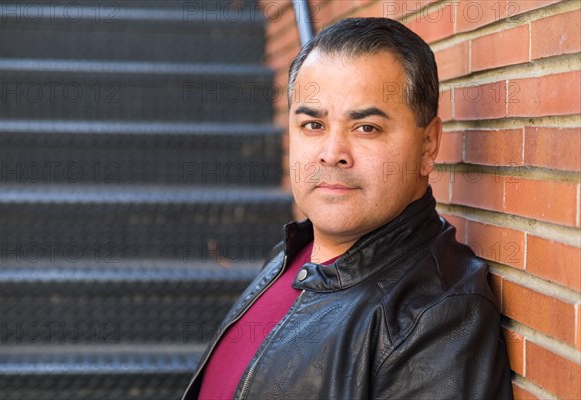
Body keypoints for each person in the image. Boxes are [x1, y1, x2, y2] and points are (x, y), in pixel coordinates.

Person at [183, 17, 513, 399]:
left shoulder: (435, 314)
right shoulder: (295, 249)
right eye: (312, 125)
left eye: (366, 127)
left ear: (428, 146)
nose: (331, 153)